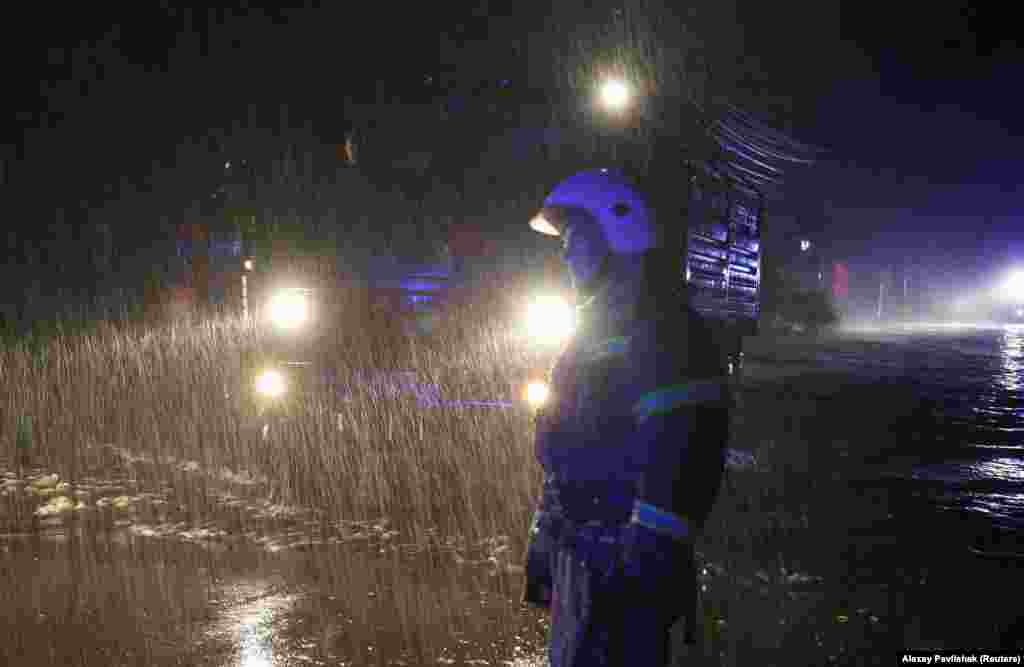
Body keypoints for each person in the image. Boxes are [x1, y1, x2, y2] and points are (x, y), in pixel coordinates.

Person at [521, 168, 731, 666]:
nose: (564, 253)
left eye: (574, 238)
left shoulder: (663, 329)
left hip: (626, 563)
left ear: (616, 237)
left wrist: (646, 559)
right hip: (585, 562)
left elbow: (685, 452)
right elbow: (566, 451)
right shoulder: (592, 329)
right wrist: (545, 541)